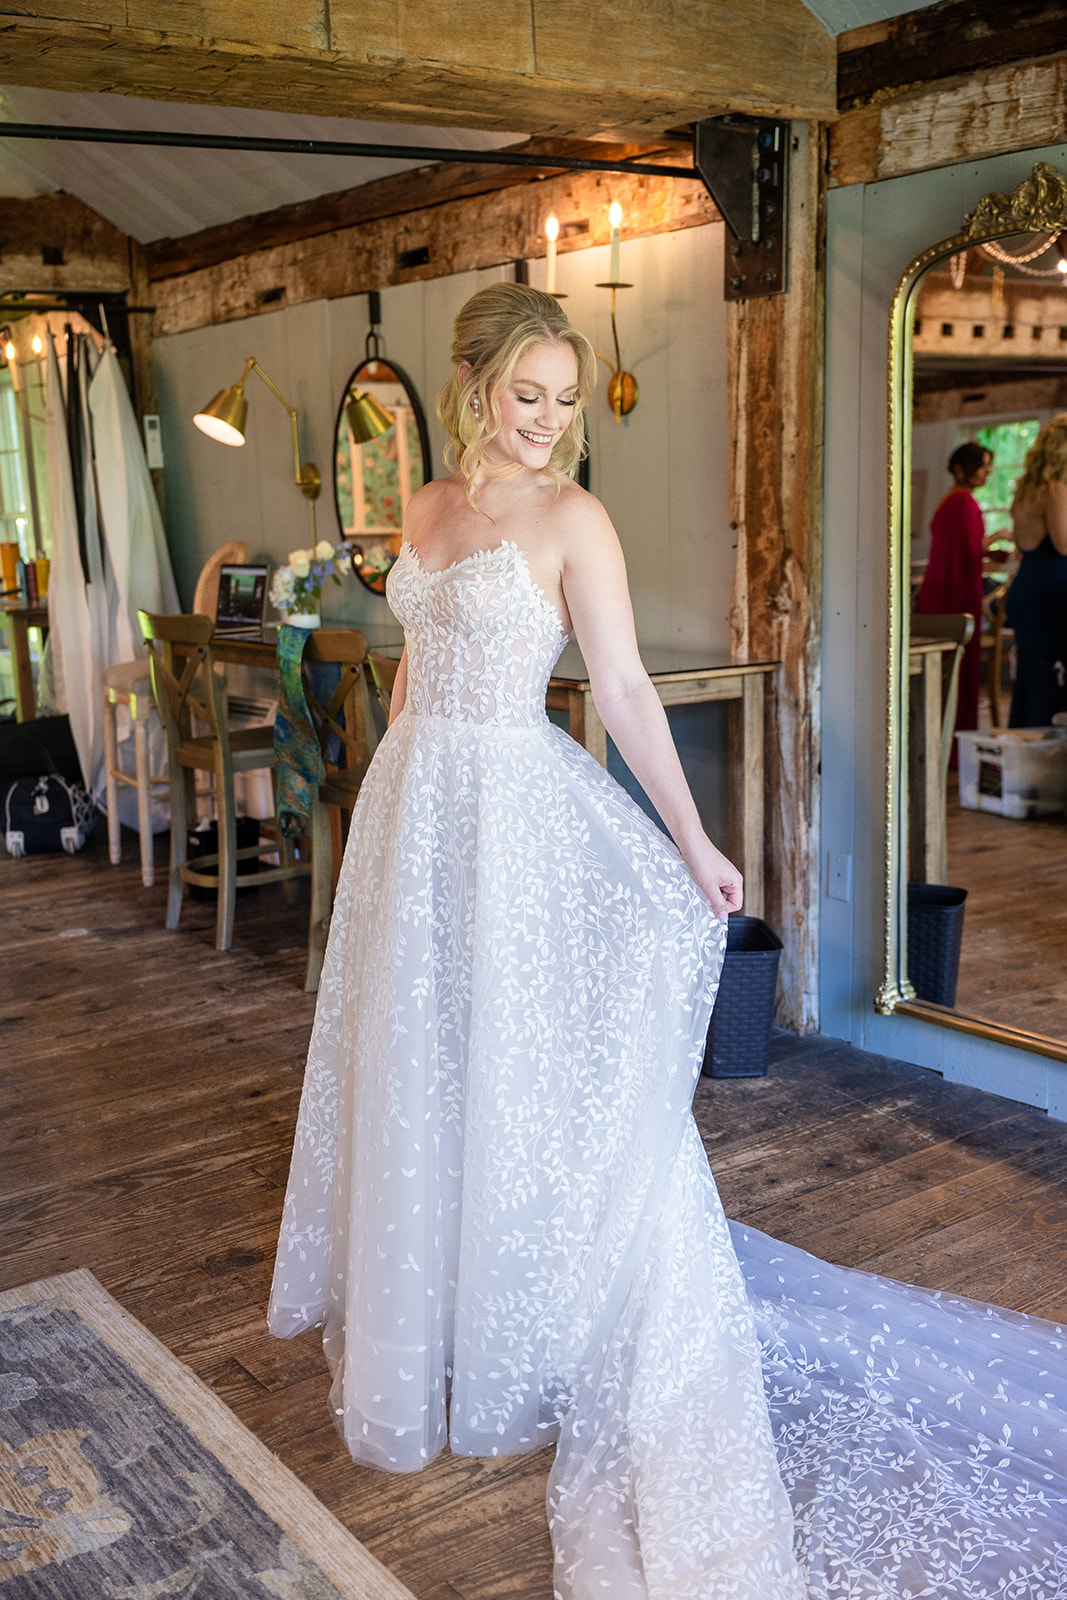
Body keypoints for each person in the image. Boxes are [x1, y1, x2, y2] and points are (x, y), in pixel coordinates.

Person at [269, 284, 1067, 1598]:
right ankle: (440, 1295)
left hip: (513, 811)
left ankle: (526, 1314)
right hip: (416, 813)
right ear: (472, 386)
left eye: (564, 400)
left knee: (516, 1062)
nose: (545, 421)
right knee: (422, 1051)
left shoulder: (574, 519)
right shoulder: (420, 508)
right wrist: (375, 802)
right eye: (525, 395)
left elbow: (625, 687)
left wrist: (695, 840)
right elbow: (412, 668)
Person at [915, 441, 992, 741]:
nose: (987, 471)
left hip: (944, 589)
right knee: (958, 669)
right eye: (983, 465)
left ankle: (942, 738)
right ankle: (955, 739)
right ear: (965, 468)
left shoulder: (951, 500)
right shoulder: (963, 502)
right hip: (957, 592)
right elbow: (968, 553)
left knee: (946, 670)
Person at [1007, 414, 1067, 726]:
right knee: (1054, 675)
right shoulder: (1055, 490)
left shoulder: (1025, 492)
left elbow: (1020, 542)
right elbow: (1064, 545)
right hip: (1052, 590)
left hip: (1027, 586)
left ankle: (1025, 738)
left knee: (1033, 676)